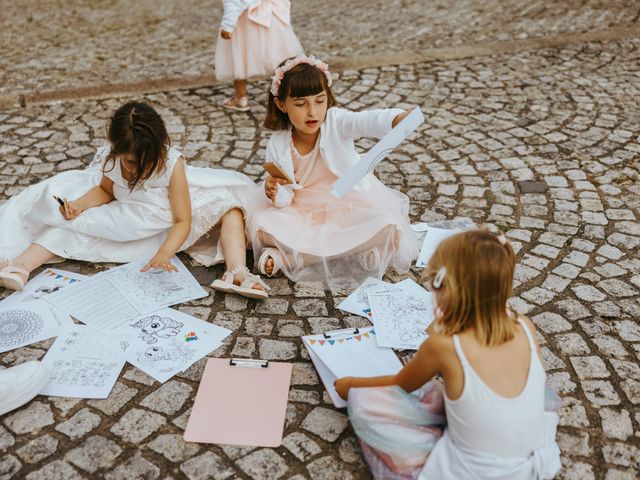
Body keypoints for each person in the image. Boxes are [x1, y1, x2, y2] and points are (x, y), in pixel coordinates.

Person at [334, 230, 562, 479]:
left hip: (475, 471)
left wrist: (350, 385)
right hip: (535, 456)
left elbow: (399, 385)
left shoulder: (444, 345)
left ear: (447, 288)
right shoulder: (525, 325)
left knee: (365, 403)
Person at [0, 101, 268, 299]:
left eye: (144, 162)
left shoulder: (172, 165)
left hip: (168, 212)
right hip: (127, 210)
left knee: (230, 208)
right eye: (129, 161)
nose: (135, 169)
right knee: (71, 225)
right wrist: (80, 205)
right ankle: (21, 266)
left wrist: (164, 253)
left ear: (159, 148)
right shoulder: (115, 158)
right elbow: (105, 190)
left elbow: (182, 220)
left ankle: (237, 273)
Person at [245, 55, 419, 292]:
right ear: (281, 105)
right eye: (300, 104)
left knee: (388, 226)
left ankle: (293, 257)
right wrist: (275, 192)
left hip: (344, 202)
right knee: (263, 228)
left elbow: (365, 121)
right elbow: (285, 199)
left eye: (319, 101)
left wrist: (396, 118)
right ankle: (349, 251)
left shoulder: (336, 122)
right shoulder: (278, 143)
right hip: (300, 210)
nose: (312, 112)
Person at [215, 0, 304, 111]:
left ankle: (240, 98)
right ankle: (292, 92)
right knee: (279, 56)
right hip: (270, 15)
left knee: (239, 59)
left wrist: (228, 25)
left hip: (247, 21)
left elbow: (233, 3)